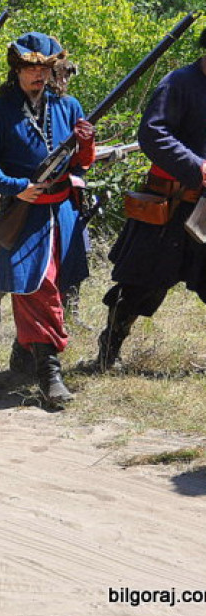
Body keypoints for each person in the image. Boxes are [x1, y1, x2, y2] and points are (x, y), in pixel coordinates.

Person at [0, 32, 95, 409]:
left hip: (63, 213)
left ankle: (26, 353)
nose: (38, 75)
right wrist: (17, 187)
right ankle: (50, 373)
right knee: (36, 286)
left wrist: (86, 142)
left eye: (44, 67)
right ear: (17, 69)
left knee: (58, 285)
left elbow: (81, 163)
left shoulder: (68, 104)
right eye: (30, 67)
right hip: (23, 213)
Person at [96, 27, 206, 370]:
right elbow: (152, 133)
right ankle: (108, 351)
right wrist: (198, 167)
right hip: (170, 204)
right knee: (141, 283)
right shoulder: (178, 83)